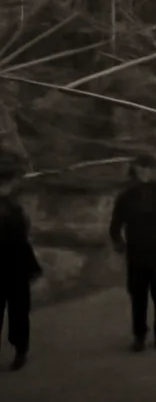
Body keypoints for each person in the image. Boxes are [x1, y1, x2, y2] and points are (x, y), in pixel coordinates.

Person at [109, 153, 156, 351]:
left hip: (143, 251)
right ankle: (153, 335)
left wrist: (118, 243)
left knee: (145, 295)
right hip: (154, 250)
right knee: (152, 295)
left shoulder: (129, 195)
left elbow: (115, 225)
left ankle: (144, 336)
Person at [0, 158, 42, 372]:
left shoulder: (15, 207)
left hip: (15, 264)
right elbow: (22, 238)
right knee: (19, 310)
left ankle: (20, 350)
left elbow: (23, 238)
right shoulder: (15, 208)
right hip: (15, 264)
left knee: (19, 310)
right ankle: (20, 350)